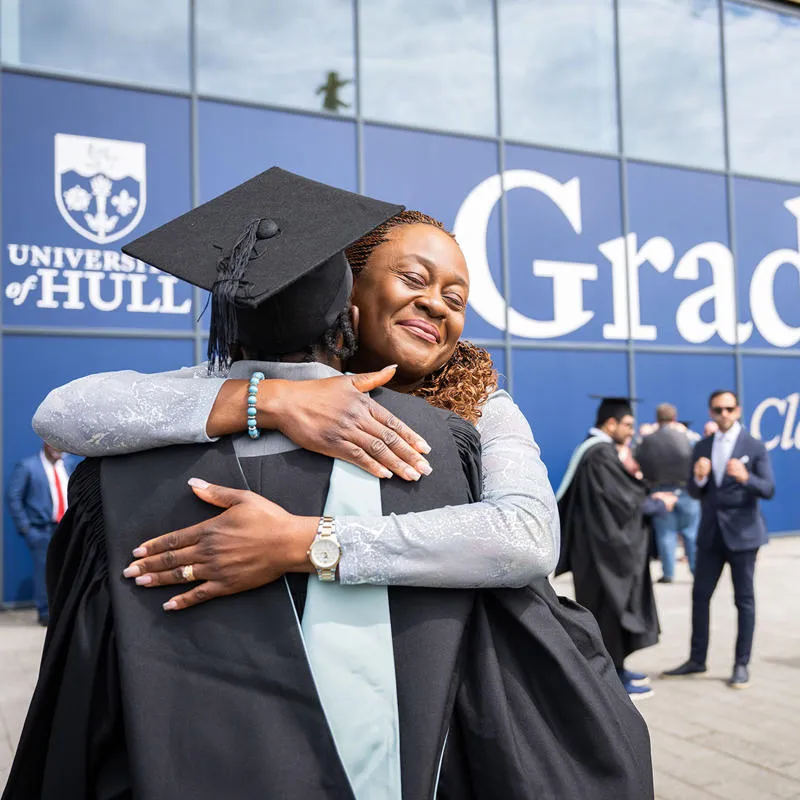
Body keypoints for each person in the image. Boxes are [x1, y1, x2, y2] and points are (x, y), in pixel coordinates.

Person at [8, 170, 654, 800]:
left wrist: (305, 543)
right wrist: (271, 403)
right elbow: (66, 412)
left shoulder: (479, 411)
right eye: (414, 279)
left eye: (456, 299)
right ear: (348, 292)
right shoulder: (273, 385)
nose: (437, 304)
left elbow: (528, 536)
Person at [555, 396, 671, 700]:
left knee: (609, 611)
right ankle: (612, 681)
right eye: (628, 425)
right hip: (601, 554)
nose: (631, 431)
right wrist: (656, 504)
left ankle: (617, 667)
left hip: (598, 550)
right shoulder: (600, 456)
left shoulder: (597, 452)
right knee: (607, 612)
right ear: (611, 424)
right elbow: (623, 503)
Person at [663, 389, 774, 690]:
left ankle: (741, 664)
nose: (723, 414)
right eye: (717, 409)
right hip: (711, 535)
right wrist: (698, 478)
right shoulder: (703, 445)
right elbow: (695, 491)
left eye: (728, 409)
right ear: (711, 412)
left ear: (737, 410)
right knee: (700, 596)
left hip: (743, 536)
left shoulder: (754, 445)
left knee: (744, 601)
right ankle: (697, 660)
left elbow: (768, 489)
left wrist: (745, 477)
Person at [5, 441, 74, 625]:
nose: (60, 452)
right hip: (41, 529)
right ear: (46, 445)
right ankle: (46, 613)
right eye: (56, 448)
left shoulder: (69, 464)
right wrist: (26, 528)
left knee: (69, 569)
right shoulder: (28, 466)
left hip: (67, 527)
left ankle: (66, 611)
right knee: (45, 572)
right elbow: (14, 497)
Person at [635, 403, 700, 583]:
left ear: (657, 418)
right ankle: (696, 570)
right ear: (675, 417)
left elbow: (637, 459)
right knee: (691, 532)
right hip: (687, 491)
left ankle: (669, 573)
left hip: (659, 491)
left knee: (666, 534)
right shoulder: (689, 438)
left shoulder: (648, 440)